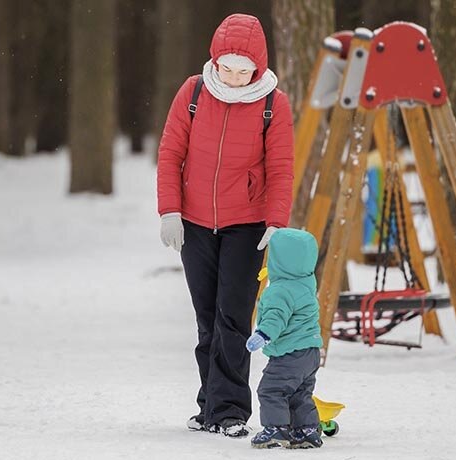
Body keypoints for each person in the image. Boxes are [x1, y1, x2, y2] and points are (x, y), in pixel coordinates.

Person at [156, 13, 294, 438]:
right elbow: (169, 153)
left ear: (258, 67)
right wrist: (170, 211)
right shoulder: (193, 92)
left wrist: (276, 221)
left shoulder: (274, 103)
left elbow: (282, 167)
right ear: (215, 62)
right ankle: (210, 404)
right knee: (206, 318)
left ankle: (230, 411)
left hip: (246, 226)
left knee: (233, 317)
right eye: (227, 68)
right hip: (194, 224)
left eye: (244, 71)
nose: (235, 78)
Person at [245, 228, 323, 449]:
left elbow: (276, 317)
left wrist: (263, 334)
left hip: (290, 353)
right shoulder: (306, 282)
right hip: (311, 352)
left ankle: (276, 429)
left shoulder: (279, 290)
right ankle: (305, 430)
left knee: (271, 390)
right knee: (300, 393)